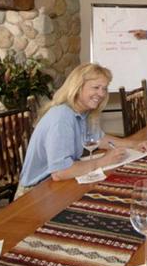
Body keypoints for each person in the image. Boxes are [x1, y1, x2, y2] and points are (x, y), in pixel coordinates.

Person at [17, 63, 134, 195]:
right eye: (96, 87)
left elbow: (99, 139)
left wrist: (134, 144)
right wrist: (104, 161)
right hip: (34, 192)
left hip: (56, 184)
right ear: (78, 88)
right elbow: (61, 172)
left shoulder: (83, 112)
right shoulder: (62, 117)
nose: (101, 94)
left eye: (104, 88)